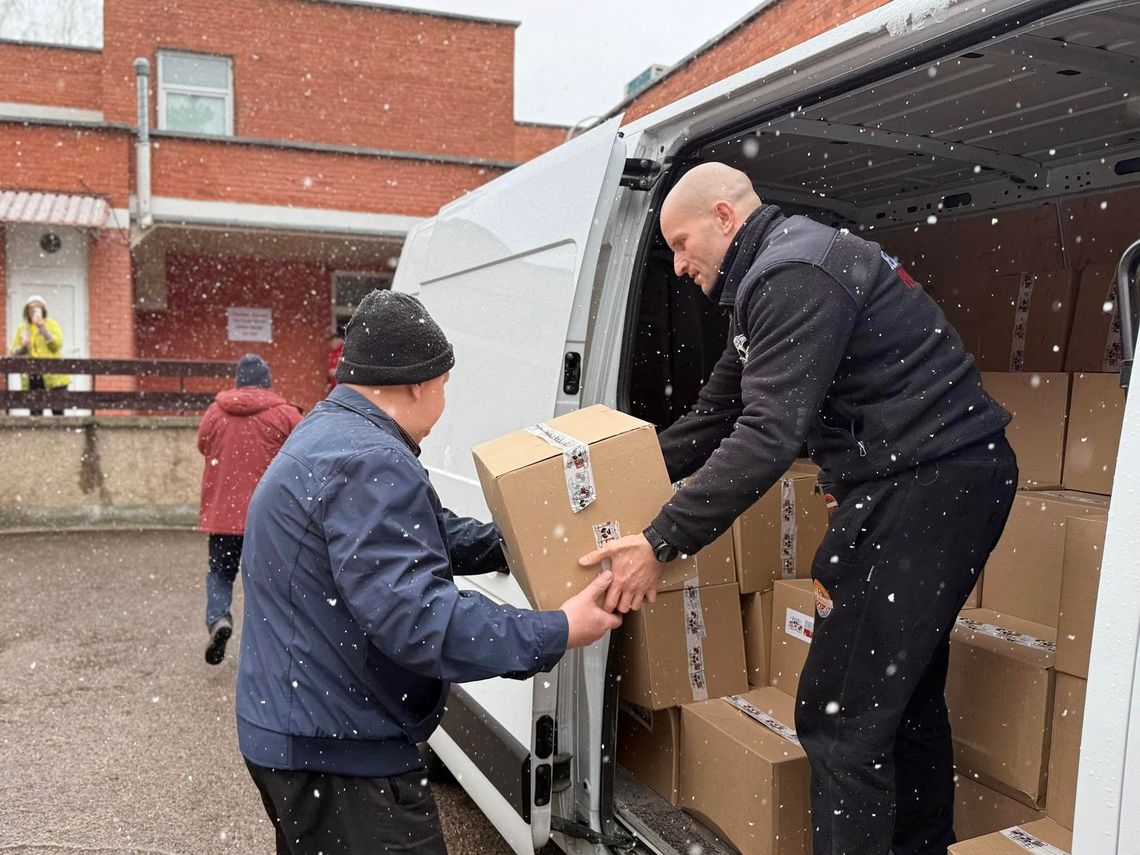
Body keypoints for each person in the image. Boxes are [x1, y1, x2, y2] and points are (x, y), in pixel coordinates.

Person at [579, 162, 1017, 855]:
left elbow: (767, 435)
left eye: (683, 242)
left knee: (840, 718)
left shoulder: (793, 273)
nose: (679, 263)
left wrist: (659, 540)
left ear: (725, 216)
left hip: (924, 488)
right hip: (938, 481)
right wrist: (607, 476)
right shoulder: (778, 277)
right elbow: (716, 418)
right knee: (897, 705)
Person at [235, 290, 620, 855]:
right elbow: (419, 620)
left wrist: (522, 540)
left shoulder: (332, 433)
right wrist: (558, 629)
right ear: (417, 383)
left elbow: (423, 534)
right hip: (342, 754)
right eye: (444, 387)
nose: (443, 404)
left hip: (302, 730)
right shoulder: (369, 459)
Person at [196, 353, 301, 665]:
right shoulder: (284, 415)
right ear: (267, 381)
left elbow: (203, 444)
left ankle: (219, 619)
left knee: (220, 572)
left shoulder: (215, 412)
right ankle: (267, 645)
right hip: (268, 515)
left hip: (223, 514)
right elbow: (305, 450)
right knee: (269, 580)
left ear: (238, 381)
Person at [8, 295, 70, 416]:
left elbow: (57, 345)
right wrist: (23, 347)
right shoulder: (23, 329)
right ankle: (37, 434)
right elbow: (14, 353)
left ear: (43, 310)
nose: (34, 311)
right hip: (33, 374)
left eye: (37, 308)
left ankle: (60, 433)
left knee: (58, 410)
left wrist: (43, 329)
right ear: (26, 311)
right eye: (31, 309)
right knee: (35, 411)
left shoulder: (52, 324)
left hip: (54, 374)